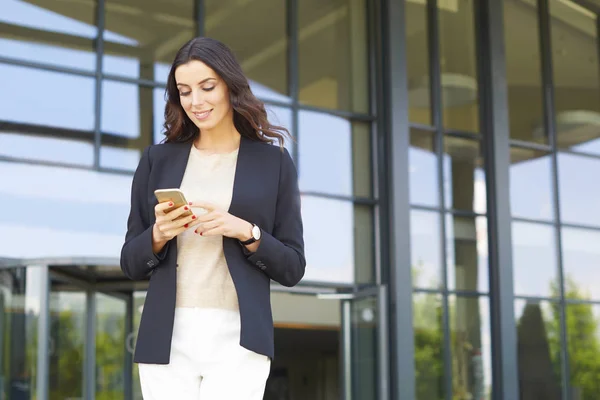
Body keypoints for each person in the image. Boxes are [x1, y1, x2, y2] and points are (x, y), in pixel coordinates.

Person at [119, 36, 306, 399]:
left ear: (230, 86)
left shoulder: (273, 163)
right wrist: (158, 234)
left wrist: (247, 232)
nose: (196, 101)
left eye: (207, 87)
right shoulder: (158, 161)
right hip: (167, 335)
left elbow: (293, 266)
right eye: (184, 91)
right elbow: (130, 261)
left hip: (239, 334)